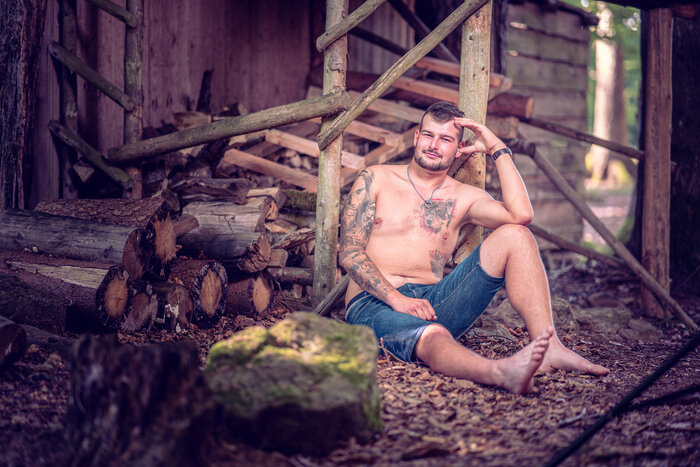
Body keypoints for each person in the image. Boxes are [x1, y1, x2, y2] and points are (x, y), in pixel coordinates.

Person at [339, 101, 609, 394]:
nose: (434, 145)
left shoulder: (464, 197)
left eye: (445, 139)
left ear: (459, 149)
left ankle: (550, 347)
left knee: (516, 235)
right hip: (374, 303)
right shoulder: (376, 178)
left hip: (434, 303)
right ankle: (500, 373)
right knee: (433, 335)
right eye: (428, 135)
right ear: (416, 138)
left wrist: (497, 148)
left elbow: (521, 215)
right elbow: (350, 253)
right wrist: (397, 299)